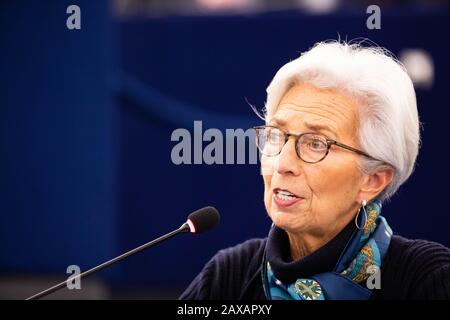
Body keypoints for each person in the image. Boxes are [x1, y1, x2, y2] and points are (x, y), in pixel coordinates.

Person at [180, 41, 450, 300]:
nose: (282, 164)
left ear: (373, 179)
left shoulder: (428, 280)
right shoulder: (228, 277)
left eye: (316, 144)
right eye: (276, 135)